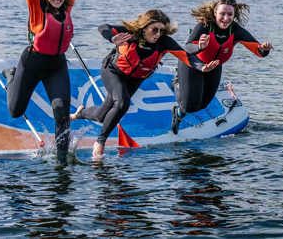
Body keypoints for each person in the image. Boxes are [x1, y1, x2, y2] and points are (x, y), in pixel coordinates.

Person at [70, 9, 217, 159]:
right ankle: (100, 143)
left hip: (136, 78)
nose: (158, 34)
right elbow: (103, 27)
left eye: (161, 30)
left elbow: (185, 55)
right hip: (113, 72)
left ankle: (80, 113)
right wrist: (112, 37)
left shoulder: (164, 42)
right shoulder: (130, 33)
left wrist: (201, 64)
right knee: (122, 103)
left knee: (102, 115)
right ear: (145, 27)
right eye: (154, 30)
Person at [3, 0, 89, 163]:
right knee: (15, 111)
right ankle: (11, 77)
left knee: (61, 110)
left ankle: (62, 159)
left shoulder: (68, 6)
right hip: (32, 62)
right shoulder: (37, 9)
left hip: (56, 65)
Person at [171, 0, 272, 134]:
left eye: (230, 14)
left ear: (234, 15)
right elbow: (188, 48)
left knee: (204, 104)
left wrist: (264, 50)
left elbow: (258, 50)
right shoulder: (204, 26)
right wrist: (200, 47)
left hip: (214, 66)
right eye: (222, 14)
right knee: (190, 106)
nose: (226, 18)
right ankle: (177, 87)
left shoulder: (236, 31)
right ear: (215, 13)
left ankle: (182, 106)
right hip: (192, 64)